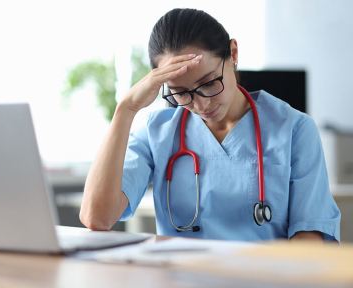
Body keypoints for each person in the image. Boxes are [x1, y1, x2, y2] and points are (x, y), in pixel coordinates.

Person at [79, 8, 341, 241]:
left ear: (233, 53)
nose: (201, 104)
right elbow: (97, 217)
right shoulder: (157, 132)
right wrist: (126, 109)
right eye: (181, 92)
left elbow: (311, 236)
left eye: (208, 83)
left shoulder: (294, 129)